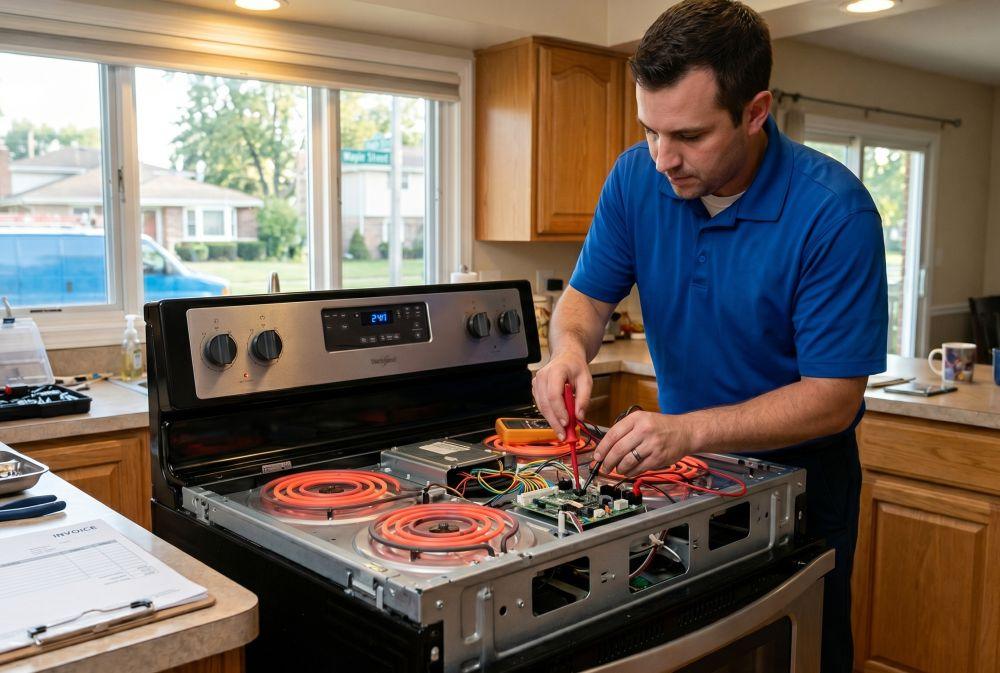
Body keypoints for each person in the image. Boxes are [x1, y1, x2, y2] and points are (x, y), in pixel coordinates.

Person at [530, 1, 888, 671]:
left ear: (755, 112)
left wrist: (686, 430)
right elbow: (584, 298)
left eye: (689, 136)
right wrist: (569, 350)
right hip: (686, 475)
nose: (664, 159)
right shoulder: (635, 178)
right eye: (649, 131)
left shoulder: (834, 213)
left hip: (803, 481)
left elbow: (834, 397)